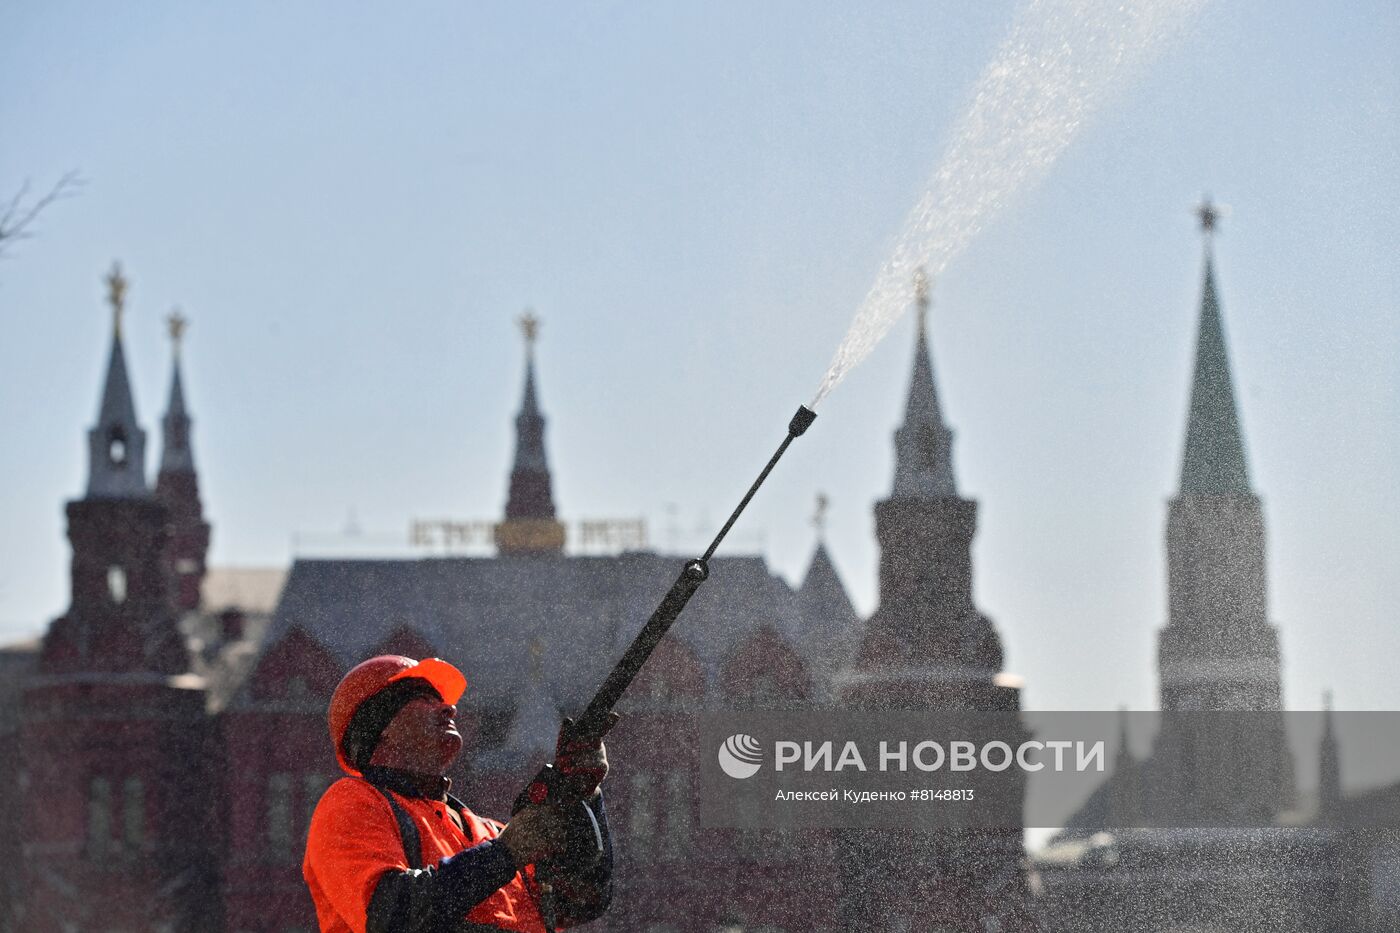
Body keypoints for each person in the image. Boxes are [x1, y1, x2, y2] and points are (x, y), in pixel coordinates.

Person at [304, 655, 613, 933]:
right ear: (381, 726)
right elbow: (391, 914)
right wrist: (503, 855)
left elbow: (579, 901)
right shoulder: (352, 803)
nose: (449, 707)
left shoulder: (488, 832)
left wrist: (582, 793)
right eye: (424, 698)